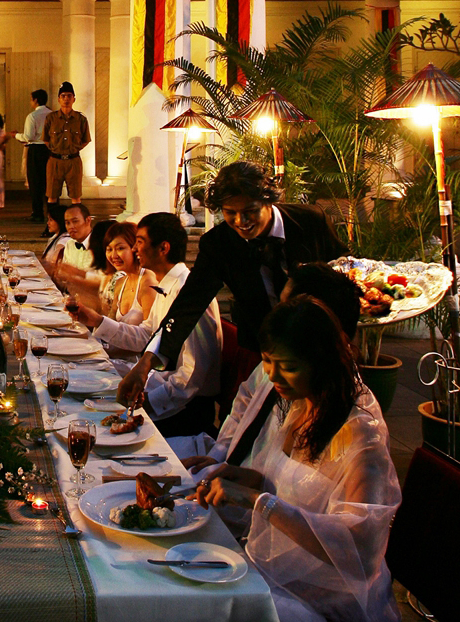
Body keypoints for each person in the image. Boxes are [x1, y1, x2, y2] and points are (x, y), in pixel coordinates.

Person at [189, 297, 403, 622]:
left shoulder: (361, 435)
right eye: (267, 361)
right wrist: (246, 479)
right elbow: (288, 486)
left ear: (321, 361)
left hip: (331, 614)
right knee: (194, 592)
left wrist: (260, 502)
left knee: (224, 621)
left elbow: (360, 548)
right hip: (276, 577)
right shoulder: (299, 406)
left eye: (287, 366)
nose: (273, 375)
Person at [118, 160, 347, 409]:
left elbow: (345, 277)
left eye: (250, 211)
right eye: (230, 213)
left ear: (268, 201)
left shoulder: (312, 222)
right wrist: (145, 364)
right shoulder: (219, 245)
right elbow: (188, 305)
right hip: (261, 354)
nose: (241, 220)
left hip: (321, 351)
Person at [178, 262, 364, 470]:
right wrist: (219, 454)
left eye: (286, 307)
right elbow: (245, 399)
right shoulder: (280, 359)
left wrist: (257, 488)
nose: (276, 314)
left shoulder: (352, 423)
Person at [76, 214, 221, 437]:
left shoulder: (189, 293)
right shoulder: (166, 286)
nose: (134, 249)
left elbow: (192, 375)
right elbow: (147, 335)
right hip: (161, 389)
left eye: (140, 242)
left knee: (94, 426)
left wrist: (147, 404)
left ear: (163, 248)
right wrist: (97, 321)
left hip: (186, 409)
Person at [42, 81, 90, 205]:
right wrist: (55, 149)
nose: (66, 99)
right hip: (55, 161)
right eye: (63, 96)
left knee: (76, 196)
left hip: (73, 161)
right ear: (58, 99)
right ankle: (52, 217)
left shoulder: (81, 119)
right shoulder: (51, 118)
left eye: (69, 96)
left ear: (74, 99)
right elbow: (45, 139)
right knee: (52, 195)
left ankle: (76, 216)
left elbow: (86, 140)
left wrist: (74, 148)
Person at [15, 88, 51, 225]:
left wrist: (16, 135)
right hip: (49, 150)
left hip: (36, 150)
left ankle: (37, 213)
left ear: (35, 100)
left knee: (35, 182)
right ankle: (51, 212)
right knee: (48, 181)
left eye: (31, 99)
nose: (30, 102)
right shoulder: (52, 114)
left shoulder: (33, 116)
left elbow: (28, 136)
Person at [40, 203, 70, 276]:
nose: (48, 223)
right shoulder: (55, 237)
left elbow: (54, 262)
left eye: (51, 220)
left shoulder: (64, 240)